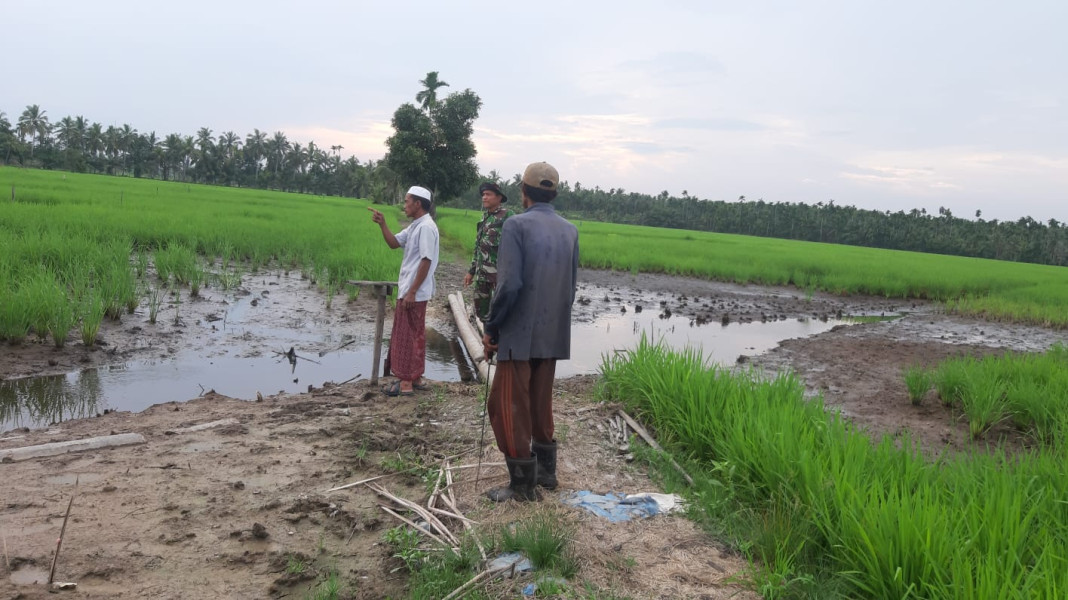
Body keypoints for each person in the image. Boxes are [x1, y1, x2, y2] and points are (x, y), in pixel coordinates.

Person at [481, 162, 578, 502]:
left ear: (523, 192)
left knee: (506, 405)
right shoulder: (570, 230)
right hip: (552, 334)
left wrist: (492, 326)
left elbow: (509, 285)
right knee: (540, 401)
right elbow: (571, 288)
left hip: (520, 335)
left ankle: (522, 486)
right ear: (554, 194)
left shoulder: (515, 226)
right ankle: (547, 474)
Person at [368, 186, 440, 397]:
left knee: (408, 336)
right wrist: (383, 225)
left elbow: (426, 260)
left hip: (413, 292)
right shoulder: (416, 226)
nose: (404, 205)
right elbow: (393, 243)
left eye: (407, 201)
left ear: (418, 204)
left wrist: (412, 292)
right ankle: (414, 378)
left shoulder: (426, 227)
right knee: (413, 334)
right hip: (410, 290)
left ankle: (406, 383)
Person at [463, 182, 513, 323]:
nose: (484, 197)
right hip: (482, 277)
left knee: (499, 312)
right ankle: (486, 340)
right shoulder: (484, 218)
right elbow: (478, 247)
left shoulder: (508, 216)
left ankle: (498, 342)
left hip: (498, 277)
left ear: (499, 198)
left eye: (488, 195)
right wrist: (471, 271)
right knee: (482, 312)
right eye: (483, 195)